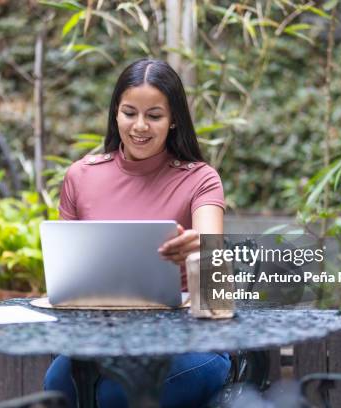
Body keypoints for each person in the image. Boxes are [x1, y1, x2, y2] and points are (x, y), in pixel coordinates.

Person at [44, 58, 230, 408]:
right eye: (130, 113)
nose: (140, 126)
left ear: (174, 119)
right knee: (58, 383)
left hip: (191, 342)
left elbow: (215, 292)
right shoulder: (81, 176)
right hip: (104, 341)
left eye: (154, 116)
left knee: (112, 396)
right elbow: (65, 276)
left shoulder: (200, 179)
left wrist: (199, 254)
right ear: (115, 113)